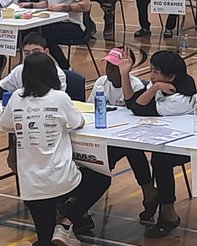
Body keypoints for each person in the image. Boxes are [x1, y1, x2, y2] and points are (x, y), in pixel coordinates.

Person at [3, 52, 101, 246]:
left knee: (45, 240)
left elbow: (5, 124)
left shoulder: (16, 97)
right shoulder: (59, 98)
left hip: (30, 186)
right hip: (61, 179)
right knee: (99, 178)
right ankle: (66, 222)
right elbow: (78, 122)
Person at [67, 46, 156, 235]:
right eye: (108, 66)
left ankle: (148, 191)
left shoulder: (136, 86)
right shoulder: (100, 83)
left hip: (126, 135)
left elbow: (137, 114)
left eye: (114, 67)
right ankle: (76, 198)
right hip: (102, 135)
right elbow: (88, 109)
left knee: (130, 148)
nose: (109, 71)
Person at [127, 50, 196, 238]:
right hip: (171, 136)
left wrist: (154, 87)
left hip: (193, 144)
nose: (151, 76)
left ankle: (168, 214)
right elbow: (132, 102)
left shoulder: (179, 99)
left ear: (171, 76)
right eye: (151, 70)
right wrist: (154, 85)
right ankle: (150, 194)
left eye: (155, 72)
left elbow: (138, 108)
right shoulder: (162, 84)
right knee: (130, 147)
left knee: (161, 159)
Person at [0, 32, 67, 100]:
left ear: (46, 52)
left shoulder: (58, 74)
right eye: (27, 53)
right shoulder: (19, 70)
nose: (32, 56)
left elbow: (56, 99)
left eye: (36, 51)